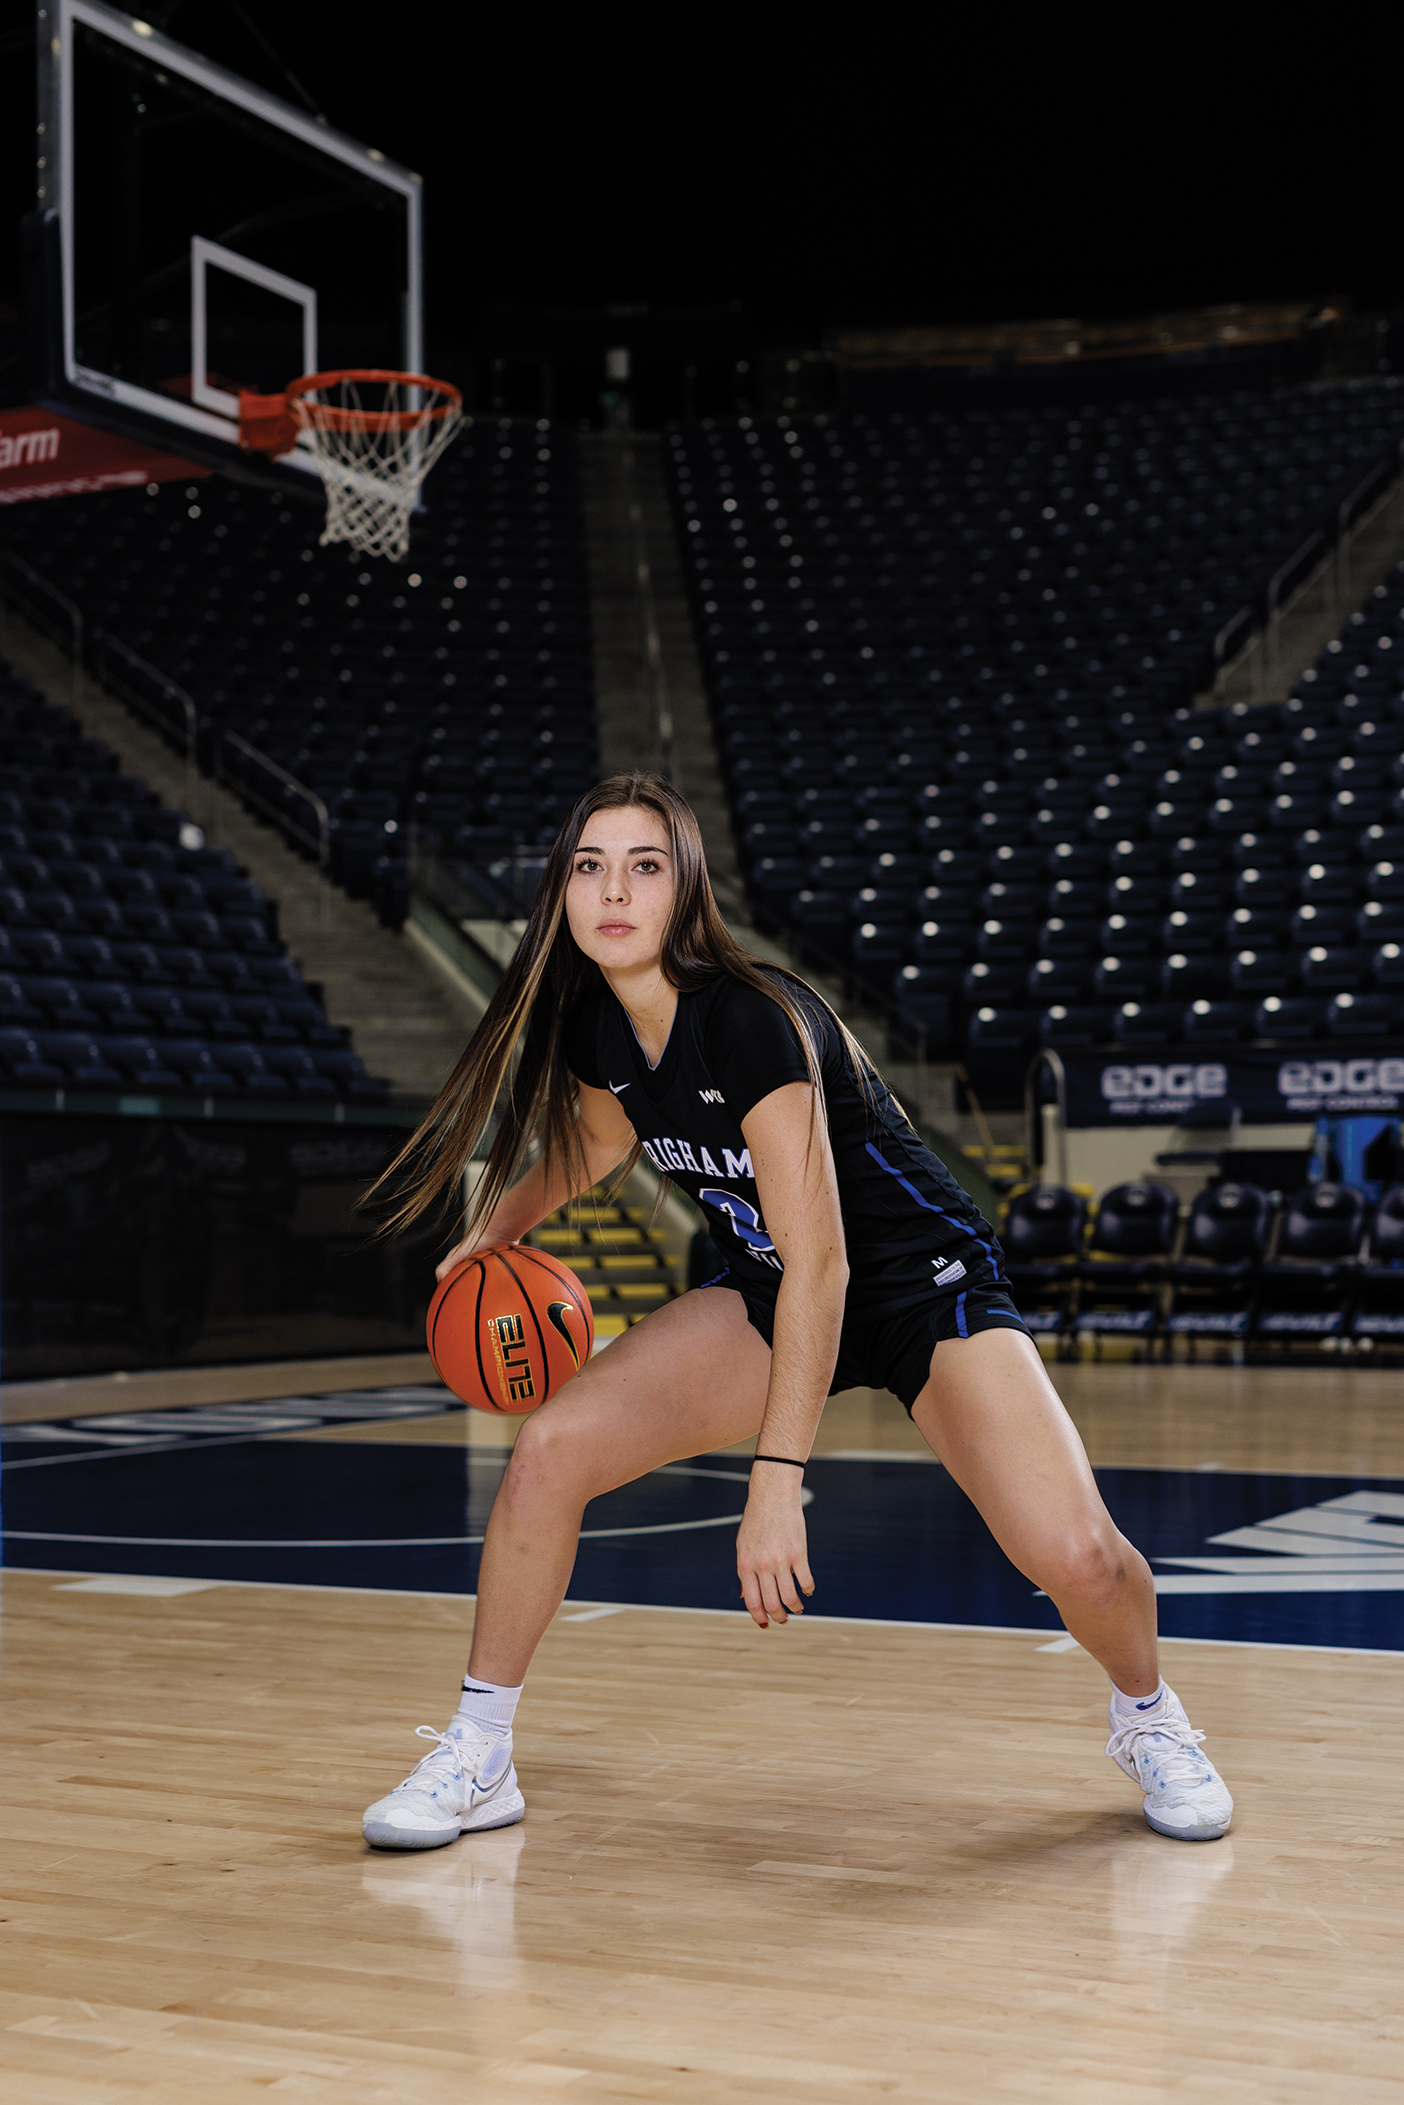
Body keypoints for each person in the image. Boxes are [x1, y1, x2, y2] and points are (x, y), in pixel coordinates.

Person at [362, 772, 1232, 1851]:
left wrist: (778, 1482)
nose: (614, 889)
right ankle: (478, 1752)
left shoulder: (757, 1020)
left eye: (645, 865)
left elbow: (826, 1260)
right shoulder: (597, 1026)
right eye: (590, 866)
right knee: (548, 1451)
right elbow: (593, 1144)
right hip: (777, 1291)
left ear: (686, 893)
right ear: (562, 893)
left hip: (920, 1285)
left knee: (1079, 1556)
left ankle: (1152, 1716)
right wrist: (492, 1231)